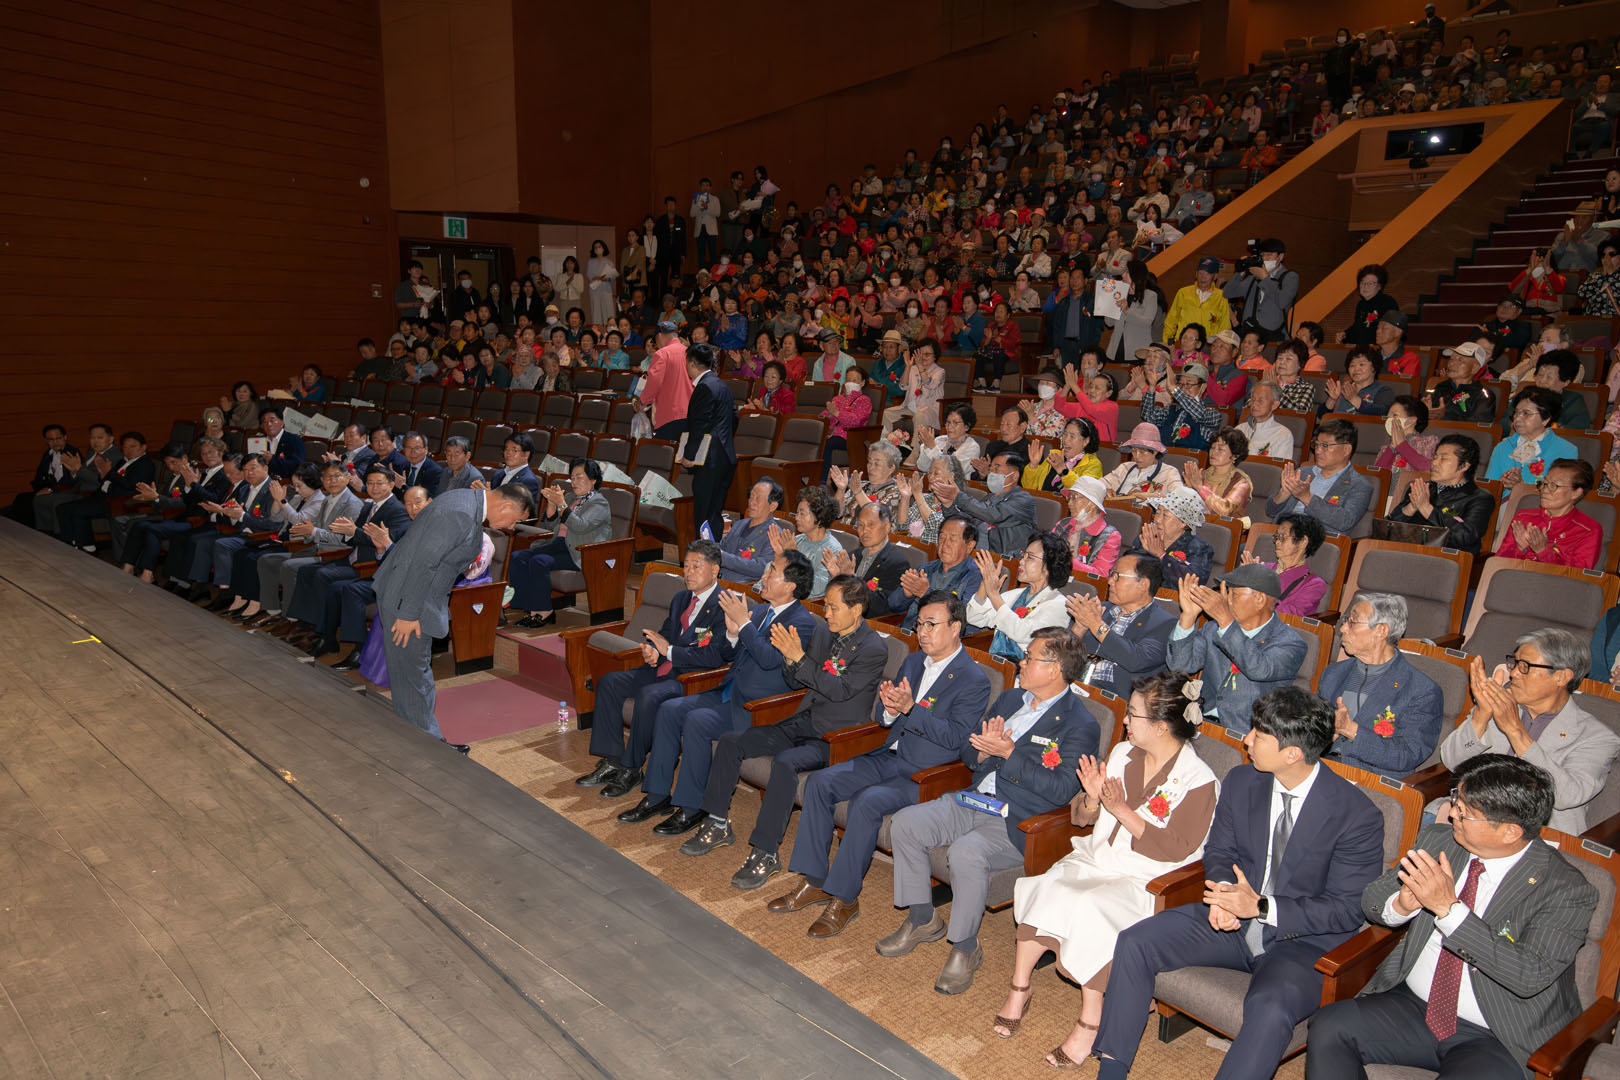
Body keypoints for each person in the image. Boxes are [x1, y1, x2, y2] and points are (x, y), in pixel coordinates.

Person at [1090, 687, 1385, 1080]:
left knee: (1270, 1007)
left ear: (1292, 753)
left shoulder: (1356, 816)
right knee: (1136, 941)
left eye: (1258, 735)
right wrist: (1223, 895)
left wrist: (1260, 907)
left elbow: (1346, 910)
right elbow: (1219, 851)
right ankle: (1111, 1073)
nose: (1246, 739)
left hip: (1301, 943)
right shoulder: (1243, 780)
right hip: (1232, 921)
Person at [1306, 754, 1598, 1080]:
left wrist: (1449, 910)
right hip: (1414, 1007)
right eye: (1457, 802)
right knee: (1330, 1026)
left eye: (1466, 813)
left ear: (1510, 832)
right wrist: (1401, 905)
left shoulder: (1566, 889)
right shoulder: (1440, 839)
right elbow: (1373, 898)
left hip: (1496, 1034)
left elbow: (1529, 975)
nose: (1452, 813)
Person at [1004, 671, 1219, 1067]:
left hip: (1149, 880)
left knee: (1090, 908)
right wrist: (1090, 799)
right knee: (1049, 885)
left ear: (1161, 726)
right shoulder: (1123, 753)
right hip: (1099, 858)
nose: (1124, 720)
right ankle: (1020, 987)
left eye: (1133, 714)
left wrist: (1120, 809)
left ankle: (1090, 1021)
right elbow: (1083, 819)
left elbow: (1176, 848)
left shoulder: (1198, 780)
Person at [880, 627, 1096, 994]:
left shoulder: (1079, 724)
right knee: (906, 824)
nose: (1021, 663)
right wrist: (983, 752)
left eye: (1029, 658)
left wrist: (1010, 754)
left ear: (1055, 669)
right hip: (974, 798)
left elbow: (1061, 790)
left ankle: (965, 948)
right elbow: (968, 753)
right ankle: (922, 918)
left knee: (966, 853)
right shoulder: (1010, 700)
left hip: (1019, 818)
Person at [767, 592, 992, 933]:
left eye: (931, 625)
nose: (922, 632)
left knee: (867, 801)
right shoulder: (914, 662)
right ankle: (814, 880)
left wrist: (911, 709)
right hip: (888, 755)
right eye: (919, 624)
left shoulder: (973, 679)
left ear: (956, 627)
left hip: (925, 774)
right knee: (819, 782)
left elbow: (955, 738)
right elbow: (883, 717)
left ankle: (844, 898)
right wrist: (889, 709)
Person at [678, 575, 890, 880]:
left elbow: (839, 690)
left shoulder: (872, 648)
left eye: (833, 607)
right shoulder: (823, 632)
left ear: (855, 610)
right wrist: (791, 662)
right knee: (731, 741)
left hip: (835, 737)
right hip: (803, 719)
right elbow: (795, 681)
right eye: (826, 606)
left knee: (786, 762)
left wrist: (799, 658)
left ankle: (766, 851)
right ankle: (716, 821)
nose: (826, 613)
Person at [620, 552, 821, 831]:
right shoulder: (759, 612)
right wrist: (732, 634)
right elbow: (733, 653)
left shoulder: (803, 623)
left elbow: (769, 659)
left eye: (772, 571)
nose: (763, 576)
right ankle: (656, 795)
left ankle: (692, 807)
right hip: (729, 691)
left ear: (790, 586)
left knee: (697, 721)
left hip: (759, 707)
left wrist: (744, 625)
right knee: (669, 710)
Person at [370, 481, 532, 748]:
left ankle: (412, 741)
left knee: (407, 675)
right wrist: (408, 614)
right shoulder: (460, 514)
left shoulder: (464, 499)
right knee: (414, 677)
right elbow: (424, 564)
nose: (511, 527)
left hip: (407, 594)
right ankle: (430, 747)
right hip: (409, 601)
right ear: (505, 506)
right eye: (515, 520)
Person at [574, 541, 732, 794]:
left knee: (648, 696)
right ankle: (613, 760)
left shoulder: (725, 605)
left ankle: (632, 768)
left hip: (692, 678)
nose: (688, 572)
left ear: (714, 570)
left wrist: (668, 652)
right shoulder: (681, 598)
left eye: (696, 566)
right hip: (664, 668)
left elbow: (714, 656)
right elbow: (666, 633)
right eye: (686, 566)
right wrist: (653, 650)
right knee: (609, 682)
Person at [1442, 630, 1620, 833]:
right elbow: (1451, 760)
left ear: (1561, 677)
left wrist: (1516, 732)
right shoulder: (1499, 703)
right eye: (1515, 663)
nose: (1514, 674)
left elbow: (1567, 795)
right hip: (1468, 819)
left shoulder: (1597, 737)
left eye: (1525, 666)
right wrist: (1481, 715)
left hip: (1537, 837)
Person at [1167, 562, 1309, 730]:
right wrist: (1188, 617)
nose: (1226, 600)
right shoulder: (1214, 628)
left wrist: (1226, 621)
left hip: (1246, 733)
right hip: (1199, 721)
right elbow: (1180, 666)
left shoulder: (1290, 643)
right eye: (1226, 592)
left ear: (1259, 599)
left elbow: (1258, 669)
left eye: (1233, 594)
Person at [1320, 592, 1445, 778]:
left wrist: (1351, 730)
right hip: (1319, 767)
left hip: (1368, 779)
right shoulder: (1334, 673)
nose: (1343, 628)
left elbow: (1407, 754)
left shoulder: (1421, 690)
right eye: (1346, 620)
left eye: (1353, 622)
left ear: (1381, 631)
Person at [507, 458, 611, 629]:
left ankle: (545, 611)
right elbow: (550, 526)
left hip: (580, 552)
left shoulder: (599, 503)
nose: (574, 482)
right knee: (518, 557)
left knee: (539, 561)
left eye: (579, 477)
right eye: (572, 478)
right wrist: (551, 504)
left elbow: (580, 526)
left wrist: (561, 504)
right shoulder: (570, 497)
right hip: (559, 544)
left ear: (593, 480)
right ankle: (529, 607)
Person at [1067, 551, 1176, 697]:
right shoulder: (1100, 609)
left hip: (1111, 700)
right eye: (1111, 574)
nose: (1110, 581)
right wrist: (1079, 629)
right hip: (1071, 685)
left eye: (1117, 576)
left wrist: (1096, 625)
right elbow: (1061, 656)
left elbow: (1135, 660)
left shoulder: (1165, 624)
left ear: (1143, 584)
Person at [966, 533, 1072, 662]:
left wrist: (994, 595)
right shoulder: (1015, 594)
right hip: (996, 663)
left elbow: (1024, 633)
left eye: (1030, 557)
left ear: (1049, 566)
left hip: (1025, 668)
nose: (1021, 561)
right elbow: (974, 618)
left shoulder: (1060, 604)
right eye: (1023, 555)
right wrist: (985, 583)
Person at [1387, 435, 1495, 556]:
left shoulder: (1480, 499)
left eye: (1443, 458)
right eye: (1435, 457)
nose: (1434, 463)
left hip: (1447, 560)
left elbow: (1463, 536)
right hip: (1408, 553)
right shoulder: (1422, 489)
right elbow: (1389, 528)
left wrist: (1426, 508)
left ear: (1464, 466)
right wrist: (1411, 507)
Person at [1266, 418, 1375, 535]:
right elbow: (1270, 511)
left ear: (1346, 449)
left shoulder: (1359, 486)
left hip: (1317, 540)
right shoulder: (1302, 473)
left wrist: (1307, 498)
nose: (1317, 451)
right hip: (1282, 534)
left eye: (1325, 446)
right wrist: (1283, 494)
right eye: (1316, 444)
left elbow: (1345, 521)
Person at [678, 343, 736, 542]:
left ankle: (704, 556)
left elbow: (699, 426)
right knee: (714, 513)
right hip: (725, 456)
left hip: (708, 459)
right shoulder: (722, 385)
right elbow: (734, 418)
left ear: (691, 364)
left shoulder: (704, 387)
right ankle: (715, 554)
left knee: (703, 515)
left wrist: (689, 455)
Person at [886, 512, 982, 633]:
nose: (944, 544)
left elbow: (962, 620)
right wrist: (906, 594)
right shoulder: (926, 569)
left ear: (969, 546)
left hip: (943, 640)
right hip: (910, 634)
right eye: (942, 538)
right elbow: (893, 605)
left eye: (952, 539)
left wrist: (926, 593)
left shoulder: (976, 577)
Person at [1495, 458, 1600, 568]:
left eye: (1554, 486)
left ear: (1576, 493)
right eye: (1544, 483)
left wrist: (1543, 552)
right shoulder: (1524, 517)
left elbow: (1577, 575)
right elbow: (1497, 564)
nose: (1544, 490)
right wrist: (1520, 548)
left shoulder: (1588, 530)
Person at [943, 451, 1038, 556]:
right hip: (977, 556)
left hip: (1004, 559)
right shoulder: (989, 498)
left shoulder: (1023, 499)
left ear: (1015, 476)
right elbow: (965, 522)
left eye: (997, 468)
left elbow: (994, 515)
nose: (991, 472)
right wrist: (948, 505)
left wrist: (958, 496)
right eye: (990, 468)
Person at [821, 502, 909, 616]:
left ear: (887, 527)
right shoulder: (853, 556)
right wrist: (836, 578)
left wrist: (851, 580)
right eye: (861, 525)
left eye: (871, 525)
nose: (865, 530)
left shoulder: (896, 563)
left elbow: (883, 606)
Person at [1485, 388, 1578, 486]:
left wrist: (1520, 486)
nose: (1518, 418)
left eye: (1526, 413)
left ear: (1546, 419)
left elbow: (1560, 492)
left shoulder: (1566, 450)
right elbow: (1490, 489)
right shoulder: (1503, 446)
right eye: (1516, 412)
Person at [1222, 237, 1298, 342]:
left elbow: (1283, 301)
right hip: (1249, 334)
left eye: (1269, 255)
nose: (1265, 259)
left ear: (1280, 256)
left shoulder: (1290, 277)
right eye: (1262, 255)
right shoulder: (1253, 278)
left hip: (1273, 336)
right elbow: (1228, 293)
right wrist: (1240, 272)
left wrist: (1265, 279)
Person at [1141, 356, 1221, 451]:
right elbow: (1149, 417)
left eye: (1189, 383)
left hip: (1189, 459)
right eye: (1181, 384)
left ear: (1203, 387)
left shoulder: (1213, 414)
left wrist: (1173, 388)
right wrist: (1151, 386)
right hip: (1164, 457)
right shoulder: (1169, 410)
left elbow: (1199, 414)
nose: (1183, 388)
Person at [1139, 487, 1213, 588]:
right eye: (1157, 513)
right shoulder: (1148, 538)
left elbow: (1191, 582)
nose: (1158, 520)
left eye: (1165, 515)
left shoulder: (1200, 548)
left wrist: (1162, 555)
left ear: (1183, 522)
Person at [1053, 474, 1120, 577]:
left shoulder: (1110, 536)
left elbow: (1101, 575)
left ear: (1092, 504)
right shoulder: (1063, 524)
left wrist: (1068, 561)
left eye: (1075, 497)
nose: (1070, 503)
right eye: (1069, 497)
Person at [719, 478, 781, 582]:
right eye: (751, 497)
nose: (752, 502)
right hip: (718, 580)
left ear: (772, 506)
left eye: (758, 499)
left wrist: (725, 558)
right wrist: (708, 544)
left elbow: (762, 567)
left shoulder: (774, 533)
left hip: (741, 586)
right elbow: (722, 547)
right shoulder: (739, 524)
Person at [1183, 427, 1253, 518]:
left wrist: (1200, 488)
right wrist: (1189, 488)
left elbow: (1226, 510)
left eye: (1220, 449)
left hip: (1224, 525)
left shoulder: (1241, 482)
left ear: (1235, 456)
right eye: (1212, 448)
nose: (1214, 452)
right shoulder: (1201, 474)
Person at [639, 321, 693, 439]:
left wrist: (643, 401)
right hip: (690, 414)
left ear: (659, 335)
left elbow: (654, 382)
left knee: (666, 450)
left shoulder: (662, 354)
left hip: (669, 414)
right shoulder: (689, 352)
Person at [1103, 423, 1184, 500]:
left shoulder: (1169, 472)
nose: (1137, 456)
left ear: (1155, 451)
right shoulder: (1125, 467)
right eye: (1134, 451)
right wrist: (1105, 490)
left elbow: (1179, 498)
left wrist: (1148, 496)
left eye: (1142, 452)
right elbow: (1098, 485)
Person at [1163, 255, 1231, 345]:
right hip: (1183, 343)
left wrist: (1218, 346)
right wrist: (1167, 341)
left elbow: (1224, 326)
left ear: (1215, 276)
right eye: (1201, 273)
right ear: (1196, 274)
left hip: (1207, 345)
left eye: (1208, 274)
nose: (1203, 277)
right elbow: (1171, 320)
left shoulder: (1221, 297)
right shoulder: (1183, 293)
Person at [1023, 417, 1102, 494]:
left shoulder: (1093, 465)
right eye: (1065, 434)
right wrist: (1033, 465)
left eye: (1072, 436)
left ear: (1085, 441)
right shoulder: (1054, 456)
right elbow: (1028, 488)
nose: (1066, 440)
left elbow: (1085, 493)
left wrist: (1063, 471)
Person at [1424, 344, 1498, 423]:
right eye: (1451, 359)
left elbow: (1476, 427)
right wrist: (1423, 411)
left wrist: (1443, 417)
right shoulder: (1441, 387)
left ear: (1474, 368)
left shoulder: (1483, 395)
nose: (1451, 363)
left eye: (1460, 360)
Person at [1337, 264, 1398, 346]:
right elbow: (1358, 328)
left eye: (1370, 283)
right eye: (1362, 282)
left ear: (1379, 286)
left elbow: (1393, 331)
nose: (1365, 286)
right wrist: (1345, 334)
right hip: (1362, 350)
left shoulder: (1388, 302)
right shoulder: (1361, 304)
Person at [1323, 347, 1395, 417]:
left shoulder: (1383, 390)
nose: (1356, 369)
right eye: (1352, 365)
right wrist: (1332, 399)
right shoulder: (1342, 389)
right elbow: (1321, 416)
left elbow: (1382, 412)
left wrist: (1354, 399)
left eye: (1362, 364)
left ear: (1374, 367)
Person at [1236, 381, 1295, 460]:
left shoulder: (1282, 435)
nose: (1254, 404)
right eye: (1253, 399)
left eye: (1260, 400)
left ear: (1274, 405)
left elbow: (1278, 466)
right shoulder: (1240, 429)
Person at [488, 434, 541, 499]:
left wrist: (490, 496)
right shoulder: (498, 474)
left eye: (515, 450)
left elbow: (518, 505)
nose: (508, 454)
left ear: (526, 454)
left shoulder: (529, 480)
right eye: (506, 449)